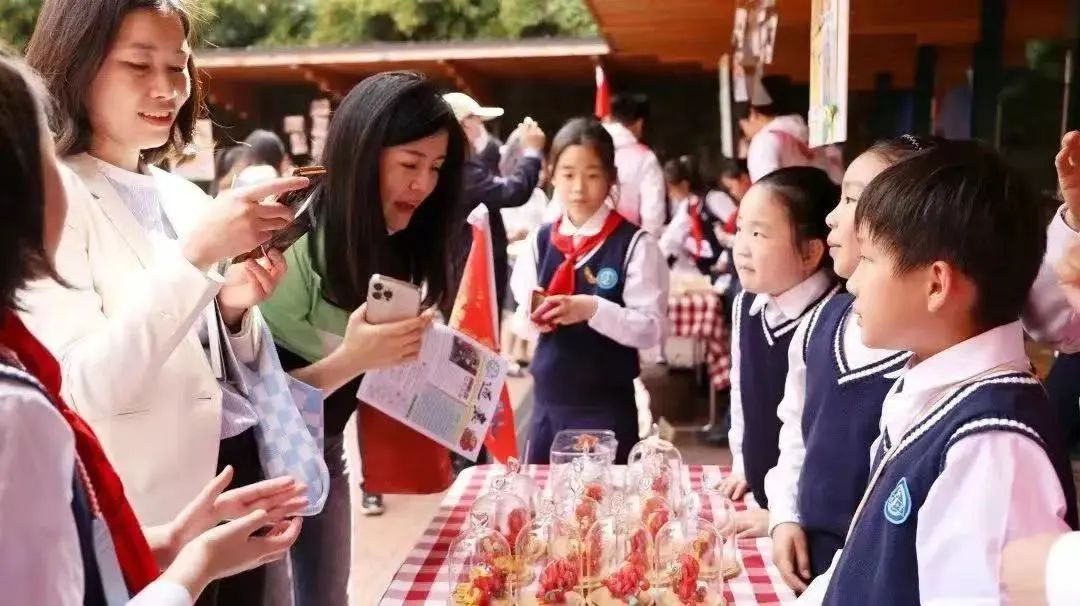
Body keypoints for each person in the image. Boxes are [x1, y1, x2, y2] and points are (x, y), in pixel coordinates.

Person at [21, 1, 310, 603]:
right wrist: (196, 261)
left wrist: (231, 309)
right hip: (143, 520)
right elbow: (82, 390)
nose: (166, 88)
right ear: (75, 68)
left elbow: (207, 359)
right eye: (138, 65)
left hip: (227, 503)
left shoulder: (180, 194)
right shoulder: (52, 198)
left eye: (178, 67)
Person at [798, 141, 1079, 605]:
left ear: (935, 284)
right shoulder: (928, 390)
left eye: (868, 260)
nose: (852, 281)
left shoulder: (990, 446)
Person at [259, 71, 465, 606]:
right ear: (363, 154)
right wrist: (354, 358)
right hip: (256, 464)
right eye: (409, 165)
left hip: (326, 444)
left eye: (436, 168)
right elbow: (252, 398)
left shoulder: (399, 238)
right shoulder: (292, 238)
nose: (423, 185)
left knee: (329, 596)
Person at [764, 136, 939, 592]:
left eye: (853, 199)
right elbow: (795, 433)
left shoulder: (926, 352)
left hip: (878, 577)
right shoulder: (820, 322)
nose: (831, 217)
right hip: (806, 562)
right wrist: (784, 515)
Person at [510, 116, 668, 463]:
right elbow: (521, 322)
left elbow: (652, 330)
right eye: (567, 175)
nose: (579, 188)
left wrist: (592, 309)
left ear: (612, 177)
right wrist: (534, 317)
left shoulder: (634, 245)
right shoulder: (539, 241)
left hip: (607, 406)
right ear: (551, 175)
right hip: (548, 404)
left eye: (592, 175)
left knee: (606, 510)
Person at [718, 167, 839, 532]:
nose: (742, 246)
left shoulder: (835, 320)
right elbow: (741, 390)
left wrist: (785, 515)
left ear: (811, 252)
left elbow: (827, 443)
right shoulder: (746, 306)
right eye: (740, 229)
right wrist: (741, 461)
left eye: (759, 233)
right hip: (760, 499)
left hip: (806, 520)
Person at [444, 91, 545, 310]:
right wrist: (531, 153)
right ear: (462, 125)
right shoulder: (462, 170)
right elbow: (512, 191)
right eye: (476, 120)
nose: (481, 129)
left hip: (466, 267)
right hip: (470, 270)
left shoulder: (460, 165)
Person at [603, 93, 666, 236]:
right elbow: (653, 216)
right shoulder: (644, 158)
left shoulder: (587, 148)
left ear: (610, 117)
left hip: (581, 245)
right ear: (639, 123)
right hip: (626, 243)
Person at [741, 79, 825, 183]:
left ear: (753, 113)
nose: (745, 135)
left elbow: (768, 191)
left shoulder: (763, 142)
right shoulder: (807, 135)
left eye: (742, 129)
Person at [658, 155, 723, 276]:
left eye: (672, 189)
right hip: (707, 268)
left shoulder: (713, 199)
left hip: (727, 265)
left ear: (684, 184)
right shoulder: (688, 206)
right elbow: (671, 236)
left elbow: (738, 227)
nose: (670, 195)